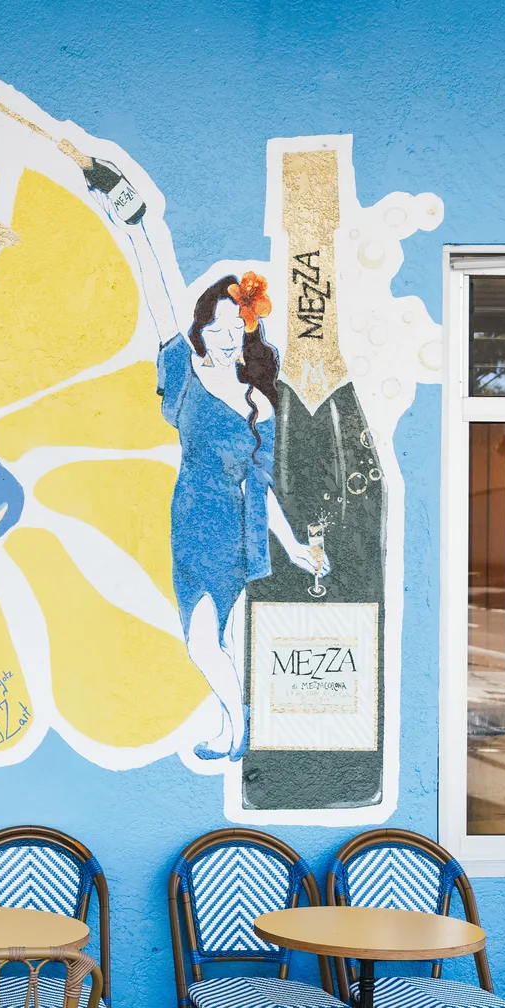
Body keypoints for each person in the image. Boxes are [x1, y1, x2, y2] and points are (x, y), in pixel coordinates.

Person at [159, 271, 322, 761]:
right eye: (216, 329)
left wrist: (292, 545)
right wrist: (137, 228)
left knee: (204, 644)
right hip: (186, 528)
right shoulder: (185, 376)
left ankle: (238, 726)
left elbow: (261, 486)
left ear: (248, 332)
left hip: (227, 534)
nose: (228, 340)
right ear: (200, 335)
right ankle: (231, 732)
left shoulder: (259, 405)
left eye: (237, 328)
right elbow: (160, 302)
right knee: (211, 640)